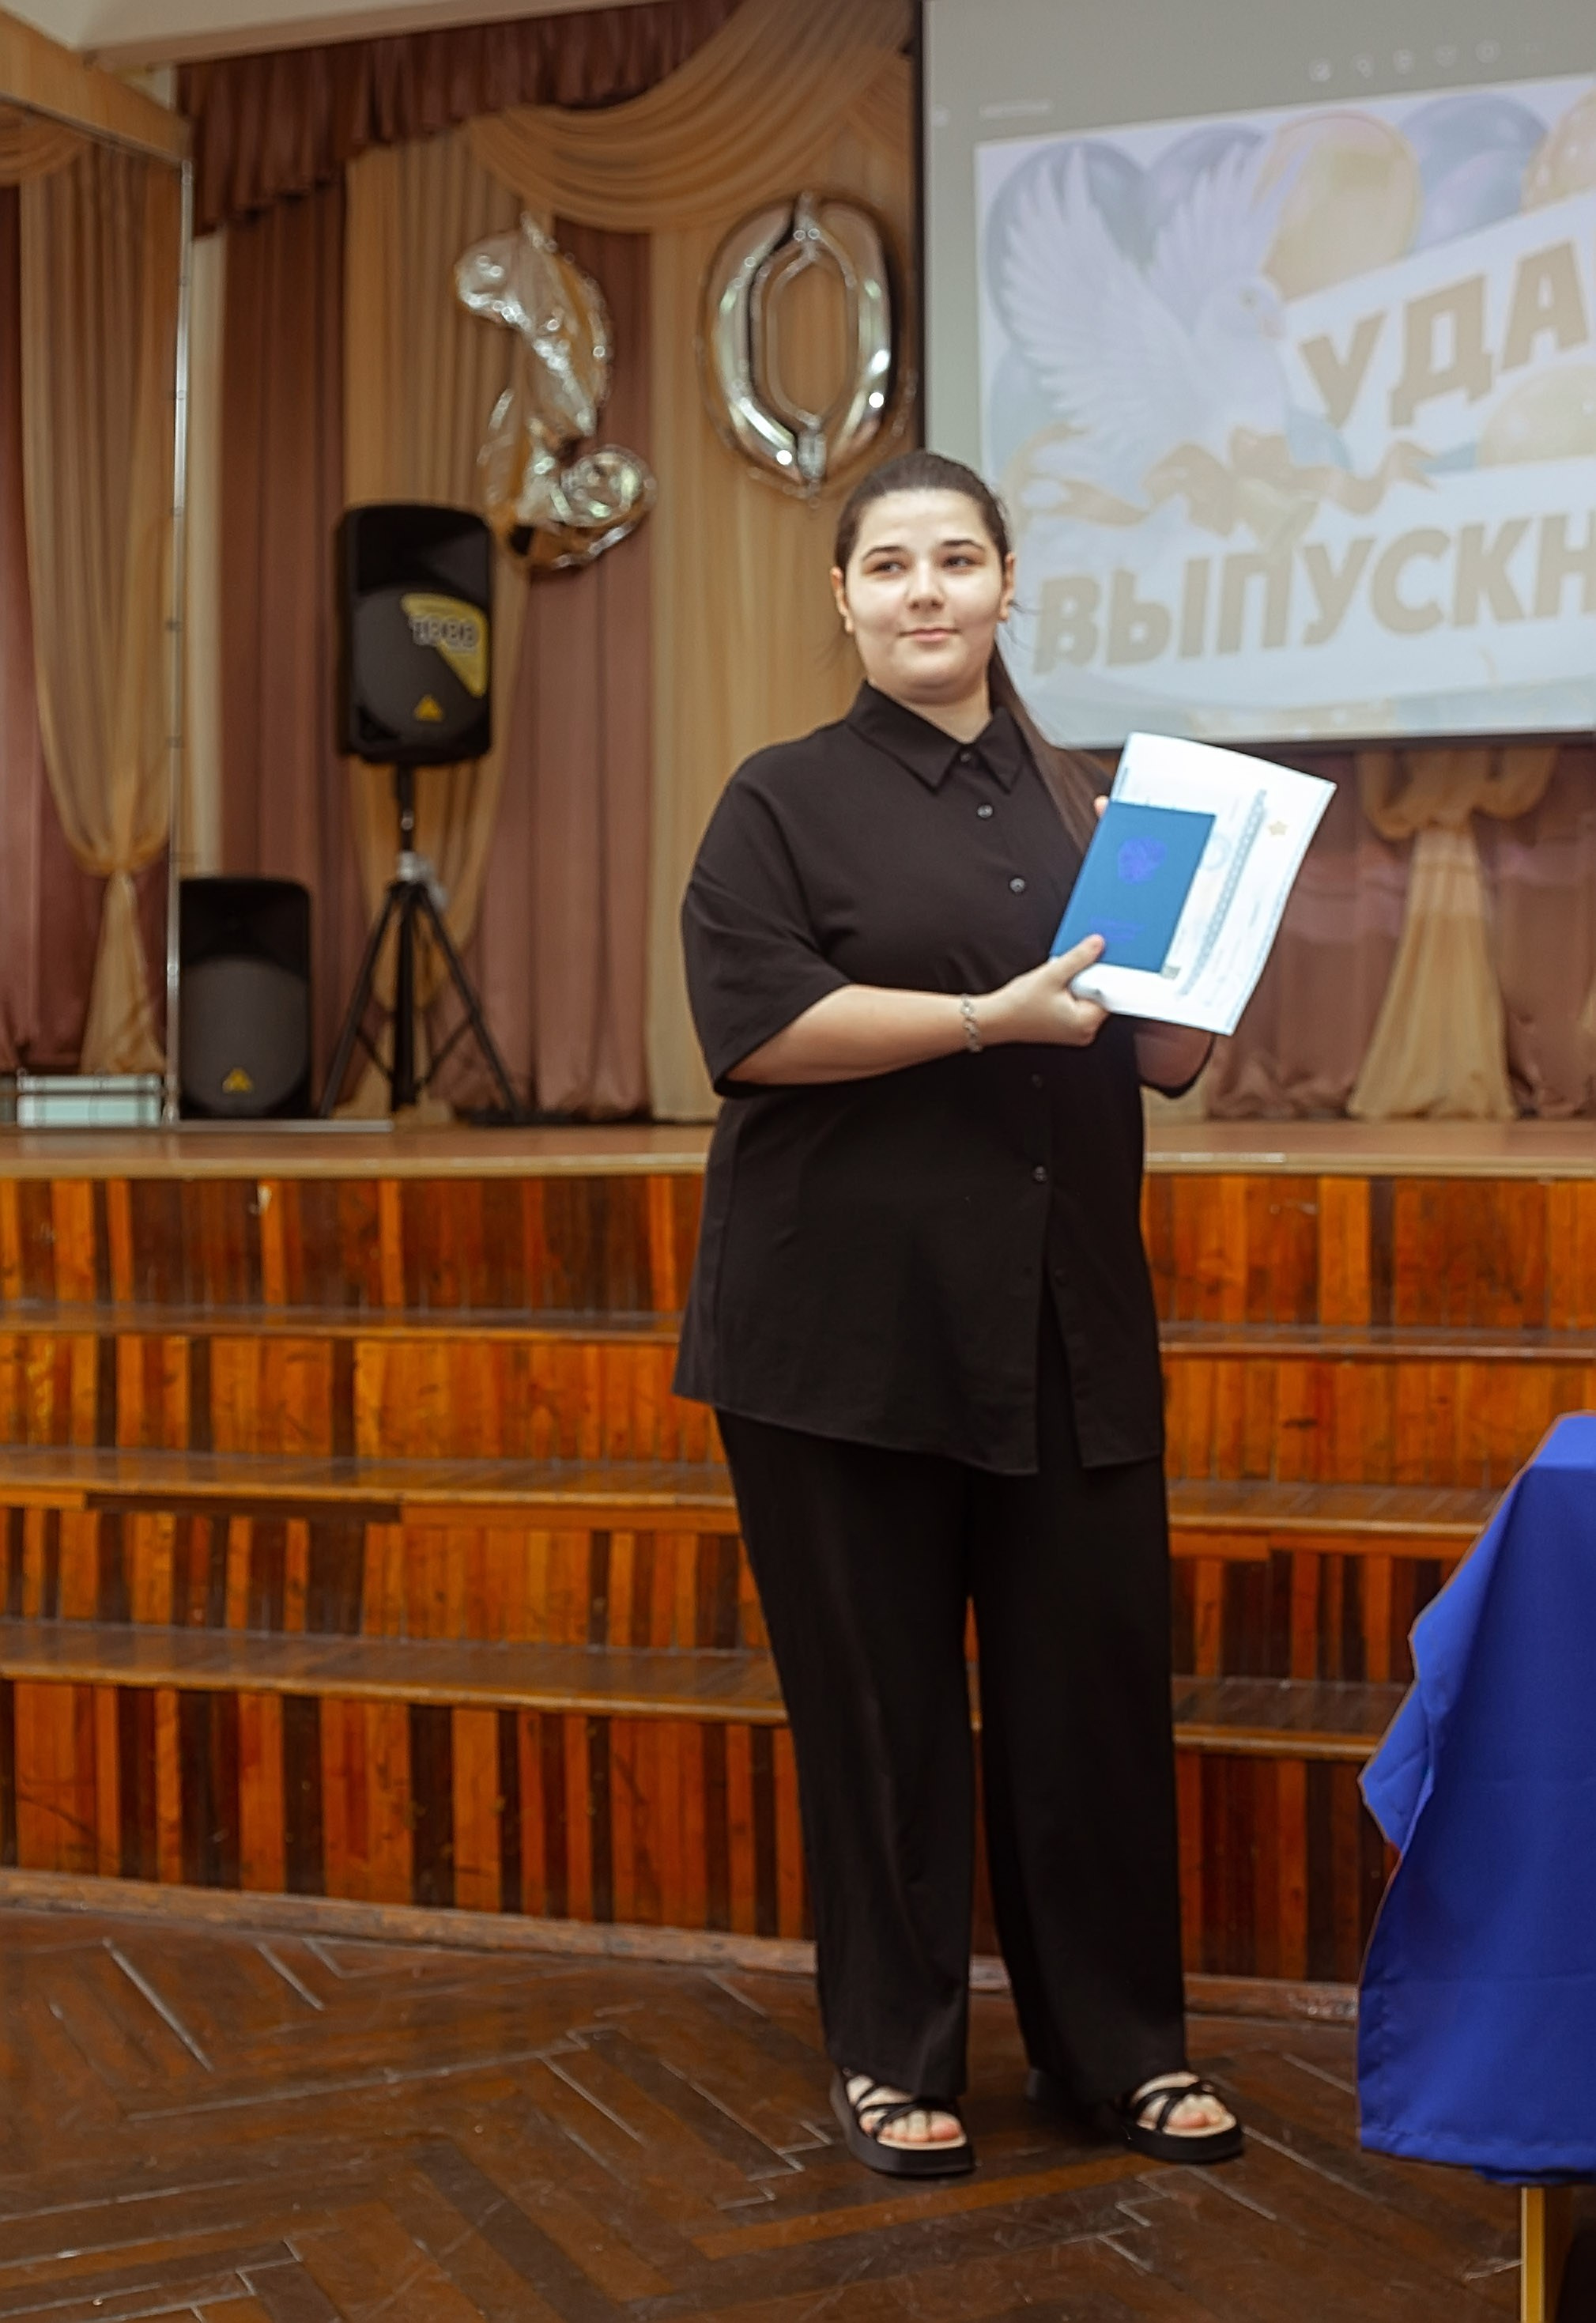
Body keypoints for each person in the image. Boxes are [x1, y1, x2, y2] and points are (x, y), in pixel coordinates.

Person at [673, 448, 1241, 2179]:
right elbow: (758, 1025)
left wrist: (1208, 947)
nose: (925, 590)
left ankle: (1118, 2050)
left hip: (1064, 1319)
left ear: (1007, 585)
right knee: (880, 1714)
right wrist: (983, 1016)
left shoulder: (1101, 800)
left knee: (1089, 1701)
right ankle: (890, 2053)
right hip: (837, 1336)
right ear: (840, 600)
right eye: (890, 566)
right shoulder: (776, 797)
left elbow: (1168, 1056)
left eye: (957, 559)